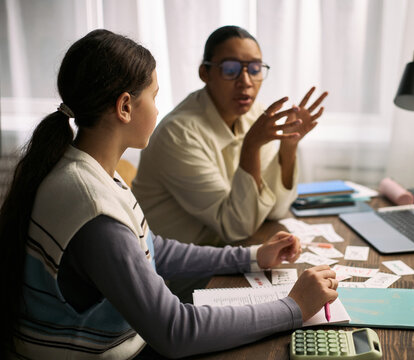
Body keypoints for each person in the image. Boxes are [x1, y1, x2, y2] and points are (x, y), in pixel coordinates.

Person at [0, 29, 338, 359]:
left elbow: (153, 248)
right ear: (125, 107)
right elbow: (176, 332)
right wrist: (293, 307)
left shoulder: (89, 170)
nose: (159, 111)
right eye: (155, 97)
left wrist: (251, 257)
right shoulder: (92, 205)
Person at [132, 25, 328, 246]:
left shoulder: (255, 115)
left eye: (254, 69)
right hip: (187, 272)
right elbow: (236, 226)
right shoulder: (177, 134)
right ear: (204, 73)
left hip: (229, 253)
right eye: (230, 69)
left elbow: (275, 210)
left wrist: (288, 146)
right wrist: (251, 146)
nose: (245, 81)